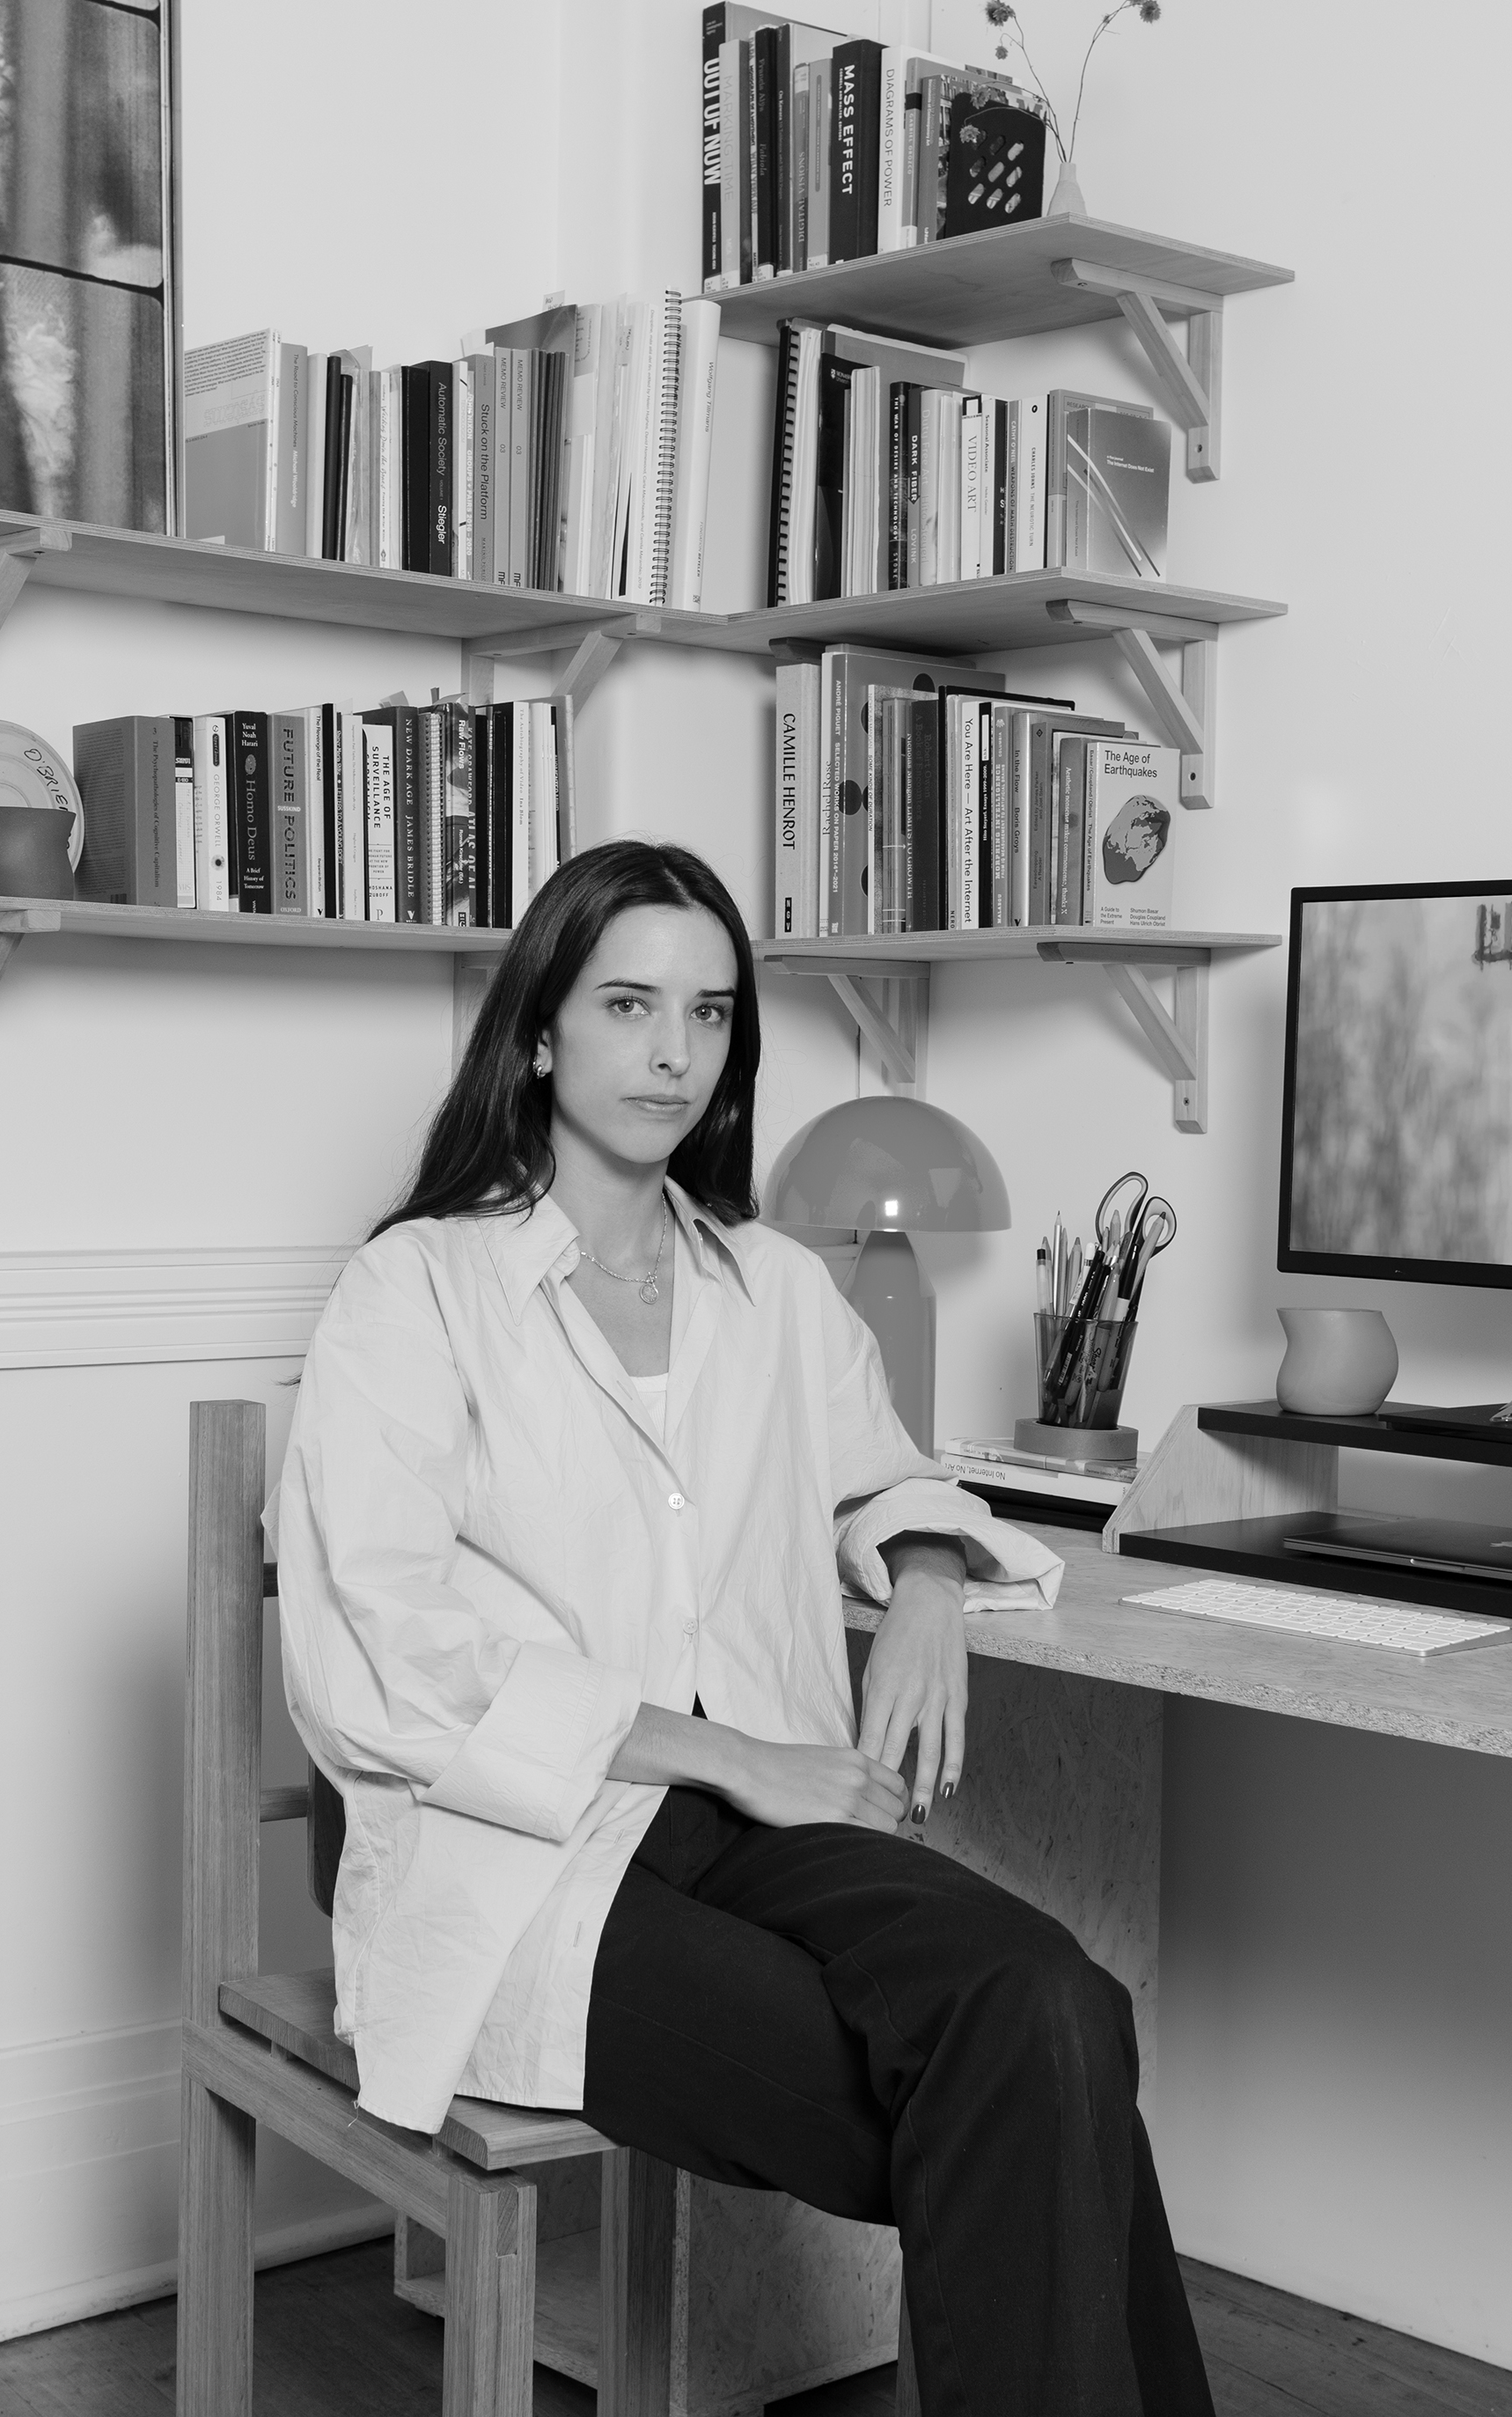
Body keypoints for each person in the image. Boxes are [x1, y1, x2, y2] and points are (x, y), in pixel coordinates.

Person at [273, 838, 1214, 2417]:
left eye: (708, 1014)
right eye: (628, 1004)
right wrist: (730, 1758)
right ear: (539, 1031)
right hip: (530, 1850)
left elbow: (886, 1476)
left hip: (762, 1813)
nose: (672, 1052)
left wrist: (927, 1578)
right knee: (1033, 2097)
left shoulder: (771, 1287)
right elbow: (381, 1657)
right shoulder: (415, 1290)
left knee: (1054, 2008)